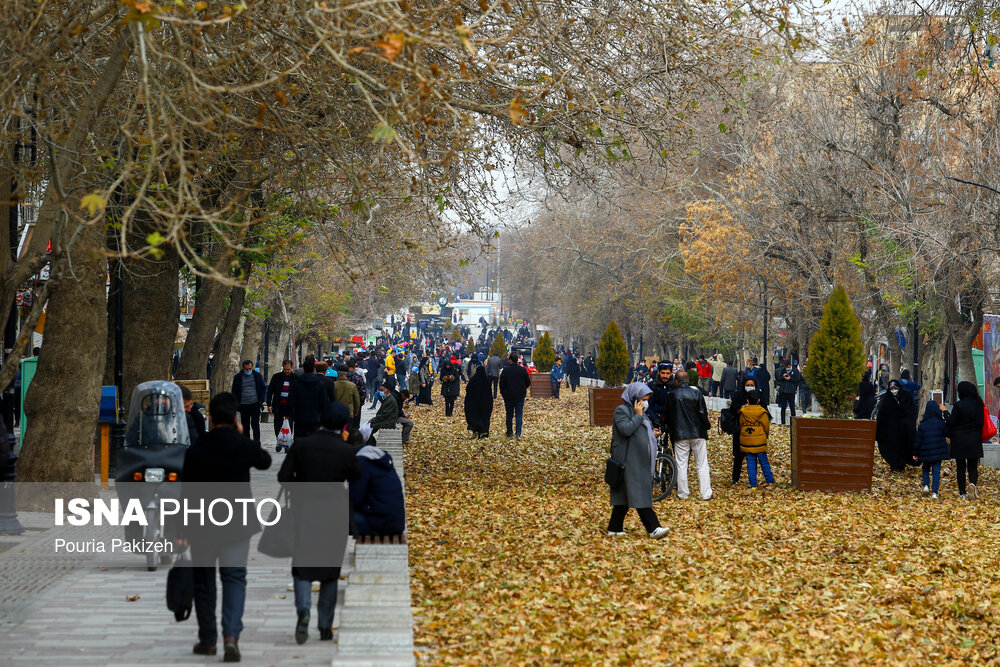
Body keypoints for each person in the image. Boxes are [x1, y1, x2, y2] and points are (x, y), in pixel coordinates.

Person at [181, 392, 272, 663]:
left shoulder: (196, 448)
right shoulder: (241, 444)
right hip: (236, 524)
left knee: (204, 581)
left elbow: (185, 492)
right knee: (234, 577)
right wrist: (242, 434)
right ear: (235, 418)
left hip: (202, 525)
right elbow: (265, 461)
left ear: (209, 418)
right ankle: (231, 636)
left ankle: (208, 640)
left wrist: (180, 530)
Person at [277, 402, 362, 644]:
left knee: (302, 565)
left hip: (305, 511)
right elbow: (356, 475)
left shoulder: (302, 445)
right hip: (334, 513)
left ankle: (303, 611)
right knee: (330, 571)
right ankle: (325, 625)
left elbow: (283, 476)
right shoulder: (345, 450)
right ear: (343, 425)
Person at [606, 383, 669, 539]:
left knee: (624, 496)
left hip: (637, 460)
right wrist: (637, 415)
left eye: (647, 399)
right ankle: (654, 528)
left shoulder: (640, 412)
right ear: (633, 398)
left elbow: (640, 430)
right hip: (628, 461)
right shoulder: (623, 411)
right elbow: (626, 429)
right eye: (643, 399)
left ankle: (614, 528)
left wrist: (650, 432)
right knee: (640, 493)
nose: (645, 402)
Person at [664, 371, 713, 501]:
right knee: (702, 464)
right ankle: (706, 493)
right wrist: (706, 425)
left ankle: (683, 493)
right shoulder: (696, 393)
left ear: (676, 381)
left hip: (680, 433)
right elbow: (702, 412)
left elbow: (667, 414)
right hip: (697, 432)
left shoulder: (671, 395)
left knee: (681, 464)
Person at [351, 433, 406, 537]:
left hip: (380, 524)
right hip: (395, 522)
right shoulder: (378, 459)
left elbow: (355, 499)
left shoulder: (362, 463)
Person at [947, 381, 984, 500]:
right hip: (974, 439)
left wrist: (945, 412)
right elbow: (980, 422)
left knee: (961, 467)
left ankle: (962, 492)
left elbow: (951, 422)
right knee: (973, 466)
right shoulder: (978, 403)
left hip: (959, 440)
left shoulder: (958, 405)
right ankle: (972, 484)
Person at [876, 379, 915, 472]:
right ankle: (894, 465)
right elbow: (881, 416)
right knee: (892, 449)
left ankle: (902, 464)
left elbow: (912, 411)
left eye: (895, 388)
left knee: (904, 447)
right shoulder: (886, 400)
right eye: (891, 389)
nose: (893, 391)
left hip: (904, 430)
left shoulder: (906, 396)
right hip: (891, 431)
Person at [913, 400, 949, 499]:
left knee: (925, 469)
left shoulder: (922, 425)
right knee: (936, 471)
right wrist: (946, 413)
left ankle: (925, 486)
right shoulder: (941, 424)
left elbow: (917, 441)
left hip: (925, 452)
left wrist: (915, 453)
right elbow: (949, 432)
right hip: (938, 452)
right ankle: (934, 492)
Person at [738, 389, 773, 487]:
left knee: (750, 463)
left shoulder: (743, 412)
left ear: (747, 400)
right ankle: (770, 481)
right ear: (758, 400)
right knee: (764, 462)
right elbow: (766, 426)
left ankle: (753, 484)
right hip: (760, 441)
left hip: (747, 441)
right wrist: (765, 436)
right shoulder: (762, 412)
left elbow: (741, 424)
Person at [729, 376, 761, 484]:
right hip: (740, 430)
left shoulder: (759, 396)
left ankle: (753, 479)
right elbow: (733, 409)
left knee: (753, 456)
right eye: (748, 385)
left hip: (754, 432)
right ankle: (735, 478)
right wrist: (742, 408)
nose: (750, 387)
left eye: (752, 386)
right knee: (738, 456)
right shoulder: (738, 395)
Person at [292, 356, 328, 438]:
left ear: (304, 369)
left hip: (299, 417)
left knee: (299, 439)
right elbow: (323, 402)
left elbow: (292, 400)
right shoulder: (319, 384)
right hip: (314, 417)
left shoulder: (296, 383)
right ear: (313, 369)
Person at [231, 360, 265, 444]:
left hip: (255, 404)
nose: (248, 371)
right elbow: (234, 391)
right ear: (243, 368)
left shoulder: (257, 376)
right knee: (245, 425)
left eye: (250, 368)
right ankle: (246, 442)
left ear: (252, 367)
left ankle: (257, 442)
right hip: (243, 405)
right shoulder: (238, 377)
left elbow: (263, 388)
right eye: (246, 369)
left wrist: (261, 401)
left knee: (255, 424)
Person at [499, 353, 531, 438]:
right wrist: (524, 388)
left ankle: (509, 432)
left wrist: (503, 393)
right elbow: (528, 382)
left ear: (510, 360)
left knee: (509, 415)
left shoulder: (506, 370)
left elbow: (501, 383)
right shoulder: (522, 370)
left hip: (508, 396)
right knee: (519, 415)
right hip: (520, 395)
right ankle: (518, 433)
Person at [267, 360, 296, 446]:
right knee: (277, 425)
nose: (287, 371)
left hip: (290, 406)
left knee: (289, 425)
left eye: (289, 369)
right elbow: (270, 391)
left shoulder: (295, 378)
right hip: (278, 405)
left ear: (291, 368)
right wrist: (269, 404)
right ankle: (279, 441)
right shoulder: (276, 377)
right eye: (285, 369)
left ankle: (287, 443)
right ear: (283, 368)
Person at [464, 365, 494, 438]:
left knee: (475, 416)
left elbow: (468, 390)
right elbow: (489, 393)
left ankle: (476, 429)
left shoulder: (473, 380)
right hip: (485, 404)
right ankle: (484, 432)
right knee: (485, 417)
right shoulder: (486, 381)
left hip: (474, 403)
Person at [646, 363, 675, 431]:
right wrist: (654, 418)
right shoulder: (652, 386)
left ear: (671, 373)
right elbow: (649, 405)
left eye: (667, 373)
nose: (665, 376)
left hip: (672, 421)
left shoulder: (675, 386)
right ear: (658, 372)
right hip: (655, 420)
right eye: (663, 373)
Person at [776, 359, 801, 425]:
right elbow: (778, 379)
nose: (786, 368)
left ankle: (793, 423)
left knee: (792, 407)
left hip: (791, 392)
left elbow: (798, 379)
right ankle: (783, 423)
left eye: (787, 366)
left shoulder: (795, 370)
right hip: (783, 391)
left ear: (790, 365)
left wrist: (790, 378)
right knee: (783, 408)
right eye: (785, 367)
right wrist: (783, 377)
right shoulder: (783, 370)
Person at [346, 358, 368, 428]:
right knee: (355, 421)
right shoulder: (358, 378)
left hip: (345, 403)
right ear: (355, 366)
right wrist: (360, 402)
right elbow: (363, 391)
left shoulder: (342, 378)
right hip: (356, 403)